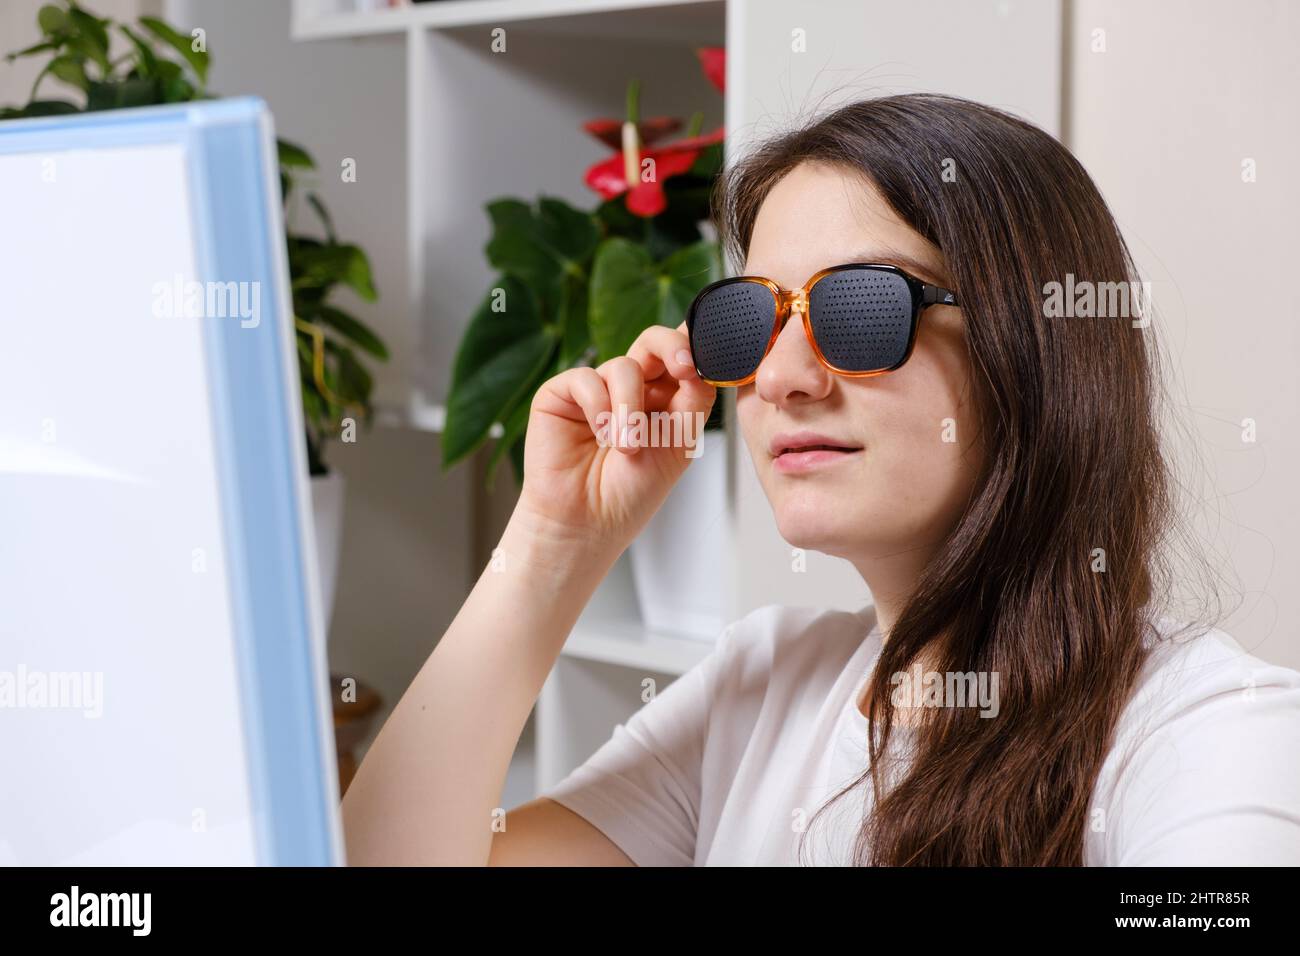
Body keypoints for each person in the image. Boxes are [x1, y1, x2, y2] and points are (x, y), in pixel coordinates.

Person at [341, 93, 1300, 866]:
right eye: (749, 321)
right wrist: (554, 545)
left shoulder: (1209, 730)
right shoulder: (761, 685)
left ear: (1035, 348)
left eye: (861, 306)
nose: (781, 377)